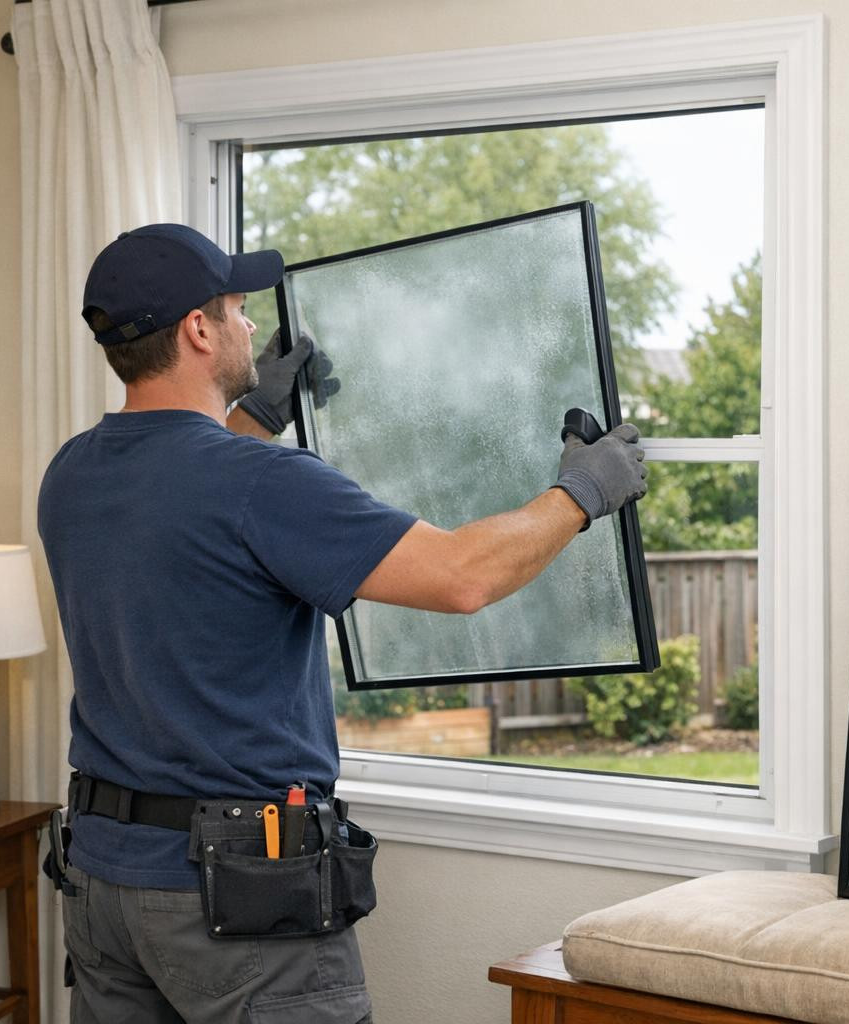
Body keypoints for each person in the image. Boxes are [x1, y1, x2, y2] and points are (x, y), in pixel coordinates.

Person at [37, 223, 647, 1023]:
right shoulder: (261, 484)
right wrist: (582, 492)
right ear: (197, 330)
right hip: (232, 896)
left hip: (103, 876)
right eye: (237, 308)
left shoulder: (73, 473)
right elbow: (463, 576)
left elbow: (186, 511)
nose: (251, 324)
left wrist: (253, 413)